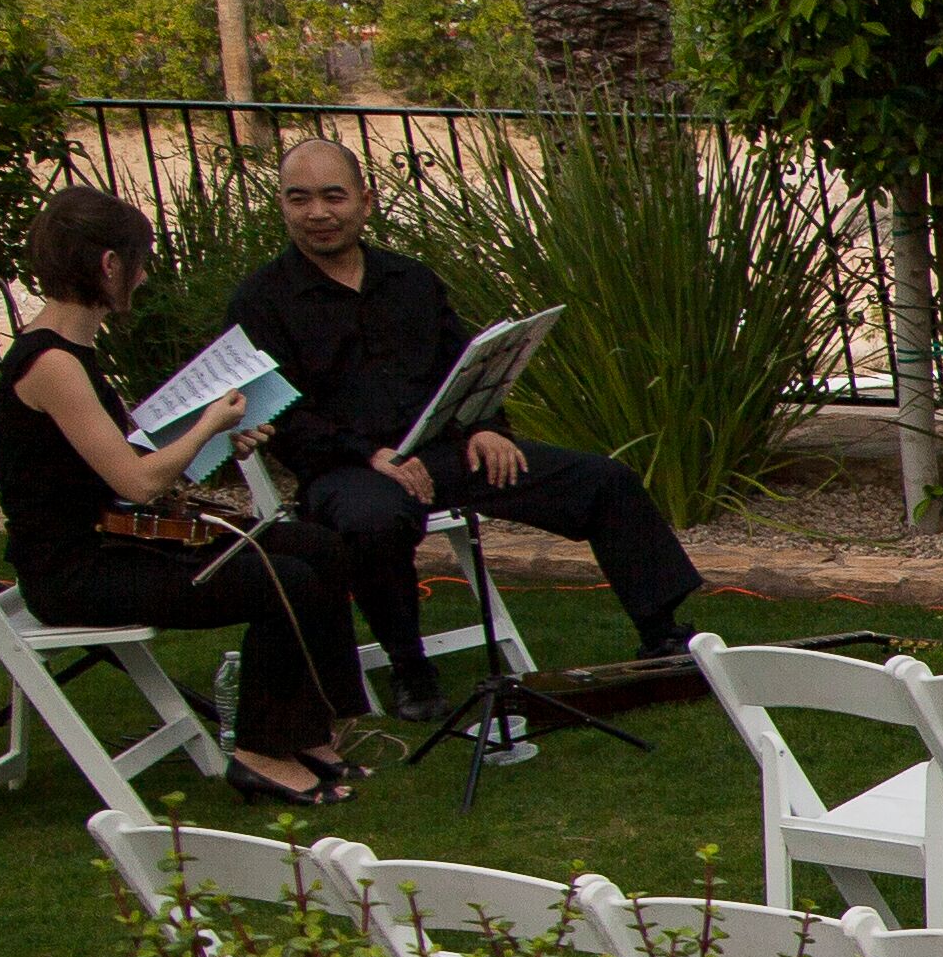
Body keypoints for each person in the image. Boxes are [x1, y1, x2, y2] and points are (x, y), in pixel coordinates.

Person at [235, 134, 702, 708]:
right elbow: (281, 414)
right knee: (373, 521)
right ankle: (411, 668)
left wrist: (487, 427)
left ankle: (663, 636)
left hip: (446, 453)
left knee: (603, 481)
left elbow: (466, 364)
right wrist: (371, 457)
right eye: (299, 199)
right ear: (281, 205)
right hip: (346, 469)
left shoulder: (410, 279)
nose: (318, 214)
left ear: (366, 200)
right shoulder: (259, 299)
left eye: (334, 196)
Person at [0, 184, 376, 810]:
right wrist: (208, 424)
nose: (143, 277)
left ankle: (310, 731)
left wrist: (220, 437)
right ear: (108, 265)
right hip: (76, 568)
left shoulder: (75, 352)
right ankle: (258, 751)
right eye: (138, 262)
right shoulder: (52, 364)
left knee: (319, 547)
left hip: (120, 537)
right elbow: (138, 481)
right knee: (285, 581)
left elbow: (135, 462)